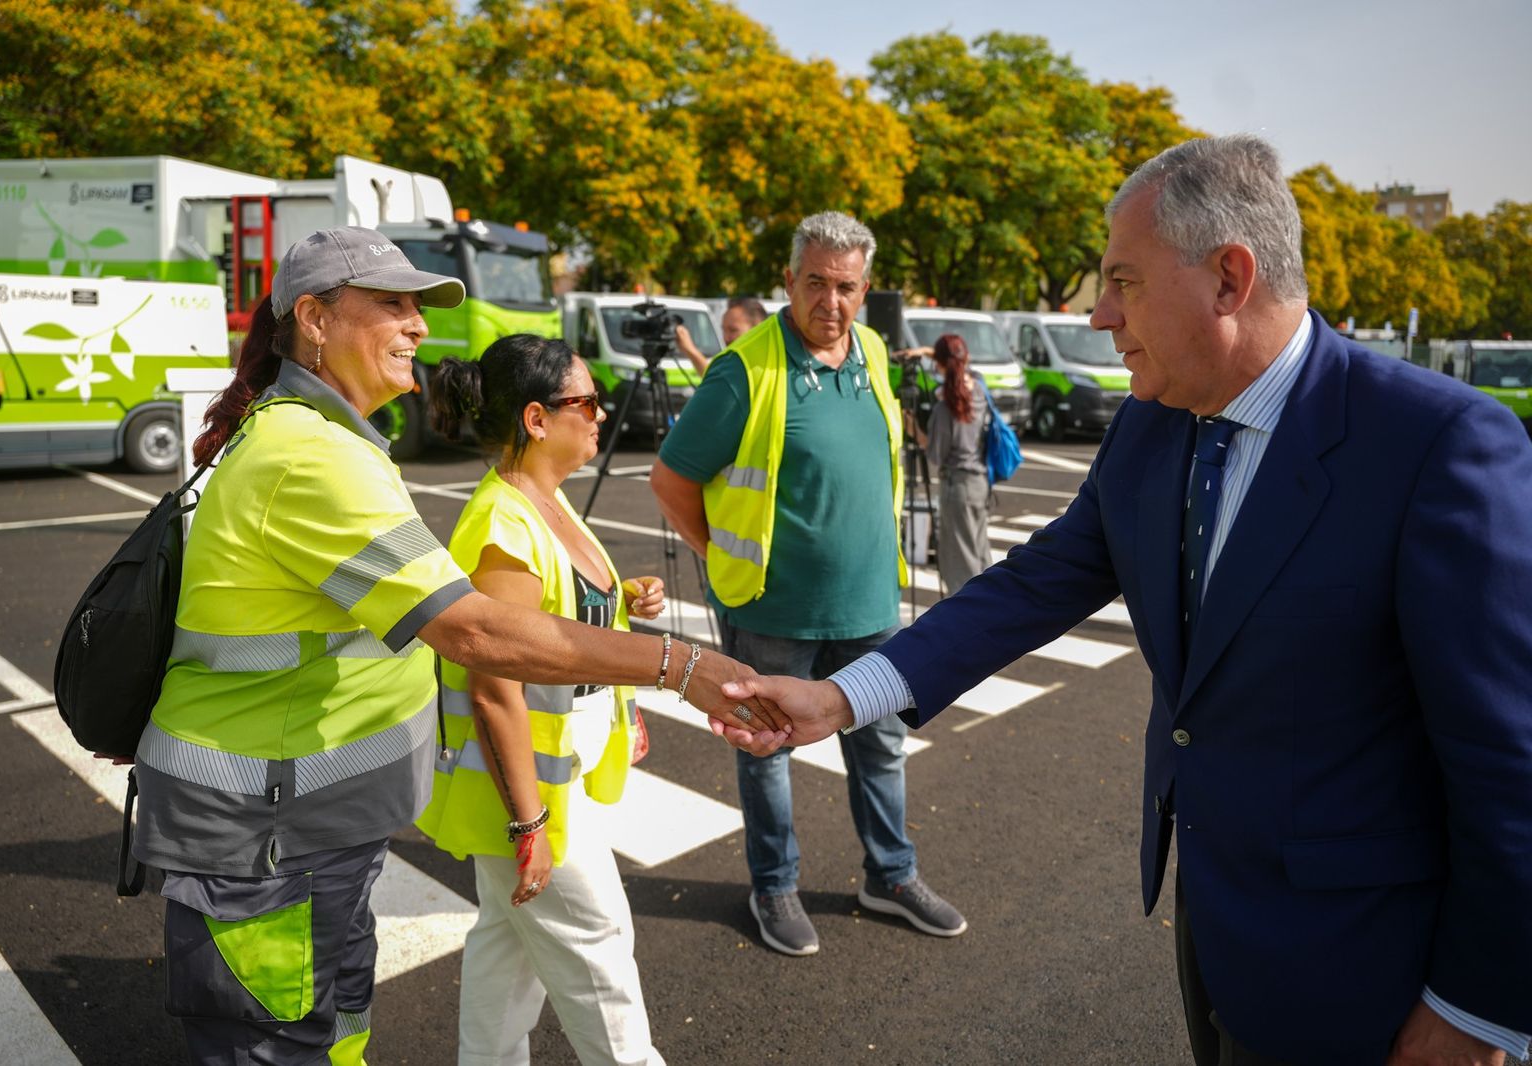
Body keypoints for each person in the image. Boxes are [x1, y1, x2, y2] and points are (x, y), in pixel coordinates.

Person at [723, 135, 1532, 1065]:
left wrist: (1477, 1007)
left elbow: (1508, 759)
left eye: (1123, 282)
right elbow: (1034, 584)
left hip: (1373, 976)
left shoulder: (1437, 444)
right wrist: (842, 696)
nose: (1100, 314)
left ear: (1229, 280)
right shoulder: (1154, 420)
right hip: (1216, 926)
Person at [134, 227, 784, 1065]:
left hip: (299, 827)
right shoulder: (312, 455)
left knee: (333, 1034)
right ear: (315, 320)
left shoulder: (323, 441)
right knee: (282, 1046)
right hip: (266, 834)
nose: (417, 325)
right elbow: (474, 631)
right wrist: (678, 664)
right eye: (391, 305)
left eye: (419, 307)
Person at [650, 212, 966, 957]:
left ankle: (891, 876)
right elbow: (670, 479)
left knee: (882, 749)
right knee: (766, 753)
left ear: (866, 288)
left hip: (869, 605)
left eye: (846, 287)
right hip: (772, 611)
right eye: (816, 283)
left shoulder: (874, 351)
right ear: (788, 281)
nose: (831, 301)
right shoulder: (744, 370)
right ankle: (774, 886)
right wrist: (718, 556)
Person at [416, 335, 668, 1066]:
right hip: (533, 798)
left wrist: (620, 598)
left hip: (553, 785)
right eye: (586, 401)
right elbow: (494, 686)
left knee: (508, 953)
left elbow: (554, 620)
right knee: (600, 953)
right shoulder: (504, 525)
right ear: (536, 418)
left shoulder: (543, 501)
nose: (601, 414)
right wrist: (530, 825)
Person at [921, 332, 992, 593]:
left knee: (960, 564)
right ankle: (989, 608)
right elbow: (959, 367)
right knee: (979, 554)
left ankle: (970, 612)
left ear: (939, 364)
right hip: (980, 482)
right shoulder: (980, 391)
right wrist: (934, 354)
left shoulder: (945, 408)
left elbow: (935, 455)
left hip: (957, 489)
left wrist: (912, 427)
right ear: (967, 357)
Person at [672, 296, 769, 374]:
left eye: (733, 330)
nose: (726, 338)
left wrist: (690, 349)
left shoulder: (757, 367)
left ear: (757, 330)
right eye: (724, 330)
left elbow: (715, 378)